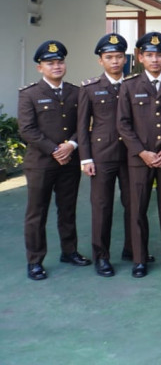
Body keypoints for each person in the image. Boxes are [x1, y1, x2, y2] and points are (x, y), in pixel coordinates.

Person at [19, 40, 89, 280]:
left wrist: (71, 145)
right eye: (50, 63)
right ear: (40, 68)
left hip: (69, 161)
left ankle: (69, 251)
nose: (56, 66)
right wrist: (54, 150)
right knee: (37, 213)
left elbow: (84, 124)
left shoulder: (76, 92)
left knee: (67, 209)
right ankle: (35, 261)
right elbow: (27, 129)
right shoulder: (29, 94)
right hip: (41, 163)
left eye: (60, 62)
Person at [117, 32, 161, 278]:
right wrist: (141, 152)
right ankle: (139, 257)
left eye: (159, 55)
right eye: (149, 55)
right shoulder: (129, 86)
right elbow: (123, 124)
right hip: (139, 158)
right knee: (137, 209)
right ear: (140, 57)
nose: (155, 60)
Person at [78, 33, 131, 277]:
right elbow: (82, 126)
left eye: (119, 56)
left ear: (125, 58)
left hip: (131, 155)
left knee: (134, 205)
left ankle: (133, 249)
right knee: (102, 207)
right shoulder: (90, 88)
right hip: (102, 155)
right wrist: (86, 158)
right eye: (109, 57)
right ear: (101, 61)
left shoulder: (133, 84)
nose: (115, 61)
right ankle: (102, 256)